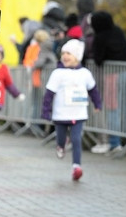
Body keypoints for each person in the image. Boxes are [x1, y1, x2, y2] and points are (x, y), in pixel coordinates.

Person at [41, 40, 102, 181]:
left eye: (69, 53)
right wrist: (46, 111)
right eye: (63, 53)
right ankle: (60, 146)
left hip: (79, 113)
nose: (65, 56)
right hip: (61, 114)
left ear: (77, 56)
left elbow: (93, 90)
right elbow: (49, 94)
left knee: (76, 139)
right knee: (61, 139)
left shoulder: (85, 73)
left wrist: (97, 104)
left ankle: (77, 167)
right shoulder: (58, 73)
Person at [89, 10, 126, 155]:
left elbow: (98, 59)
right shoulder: (118, 31)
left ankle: (115, 143)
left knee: (112, 109)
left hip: (112, 75)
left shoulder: (100, 37)